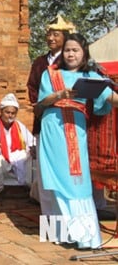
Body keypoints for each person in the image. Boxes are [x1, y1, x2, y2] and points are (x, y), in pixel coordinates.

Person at [36, 33, 118, 249]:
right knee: (51, 180)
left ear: (84, 54)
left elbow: (110, 99)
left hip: (76, 131)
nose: (70, 54)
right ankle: (57, 233)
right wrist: (60, 94)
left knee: (77, 182)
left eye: (75, 50)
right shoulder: (50, 74)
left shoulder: (93, 76)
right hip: (52, 128)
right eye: (68, 50)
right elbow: (41, 103)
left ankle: (85, 237)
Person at [26, 14, 74, 204]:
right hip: (45, 119)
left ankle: (66, 206)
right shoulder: (40, 63)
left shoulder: (72, 61)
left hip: (69, 121)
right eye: (49, 35)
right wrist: (41, 105)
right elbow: (32, 88)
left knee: (67, 167)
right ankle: (48, 212)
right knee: (46, 168)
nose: (51, 38)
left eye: (56, 35)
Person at [0, 93, 35, 204]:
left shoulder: (19, 126)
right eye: (7, 112)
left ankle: (28, 188)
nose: (10, 116)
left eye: (13, 113)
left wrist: (33, 149)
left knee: (33, 155)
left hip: (15, 157)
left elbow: (31, 141)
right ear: (1, 112)